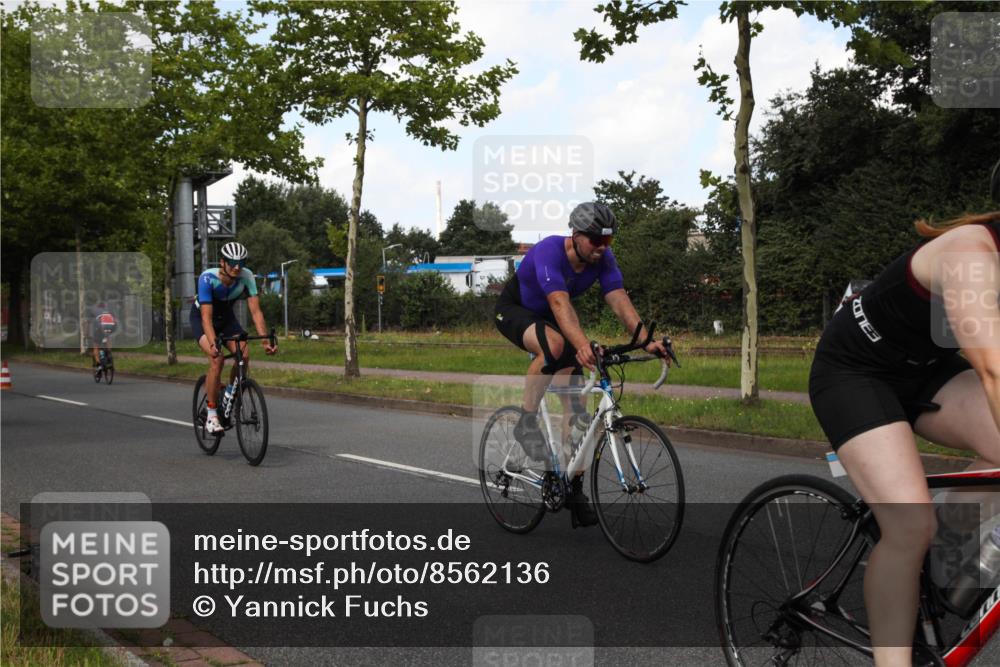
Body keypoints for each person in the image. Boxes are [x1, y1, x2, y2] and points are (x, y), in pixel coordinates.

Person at [809, 210, 1000, 666]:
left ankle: (945, 539)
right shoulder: (969, 251)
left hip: (927, 371)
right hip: (854, 372)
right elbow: (993, 370)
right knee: (909, 527)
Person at [494, 201, 670, 527]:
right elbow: (559, 303)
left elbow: (619, 300)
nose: (603, 248)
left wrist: (646, 341)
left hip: (553, 319)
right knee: (556, 345)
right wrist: (582, 345)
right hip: (517, 311)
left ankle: (571, 487)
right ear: (575, 235)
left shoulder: (602, 259)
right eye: (596, 241)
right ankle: (526, 421)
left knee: (578, 413)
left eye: (609, 241)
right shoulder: (549, 251)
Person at [192, 242, 276, 434]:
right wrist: (214, 344)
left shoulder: (247, 277)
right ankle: (212, 414)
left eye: (241, 263)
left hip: (226, 319)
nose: (237, 267)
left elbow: (256, 312)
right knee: (217, 358)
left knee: (244, 354)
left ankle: (230, 393)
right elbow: (206, 318)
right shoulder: (207, 278)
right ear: (222, 262)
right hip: (203, 318)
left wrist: (265, 341)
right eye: (232, 263)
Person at [89, 301, 117, 372]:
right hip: (111, 326)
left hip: (99, 327)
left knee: (96, 346)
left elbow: (89, 322)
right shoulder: (109, 309)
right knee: (107, 337)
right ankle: (109, 354)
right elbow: (115, 320)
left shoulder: (93, 309)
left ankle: (98, 365)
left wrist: (87, 334)